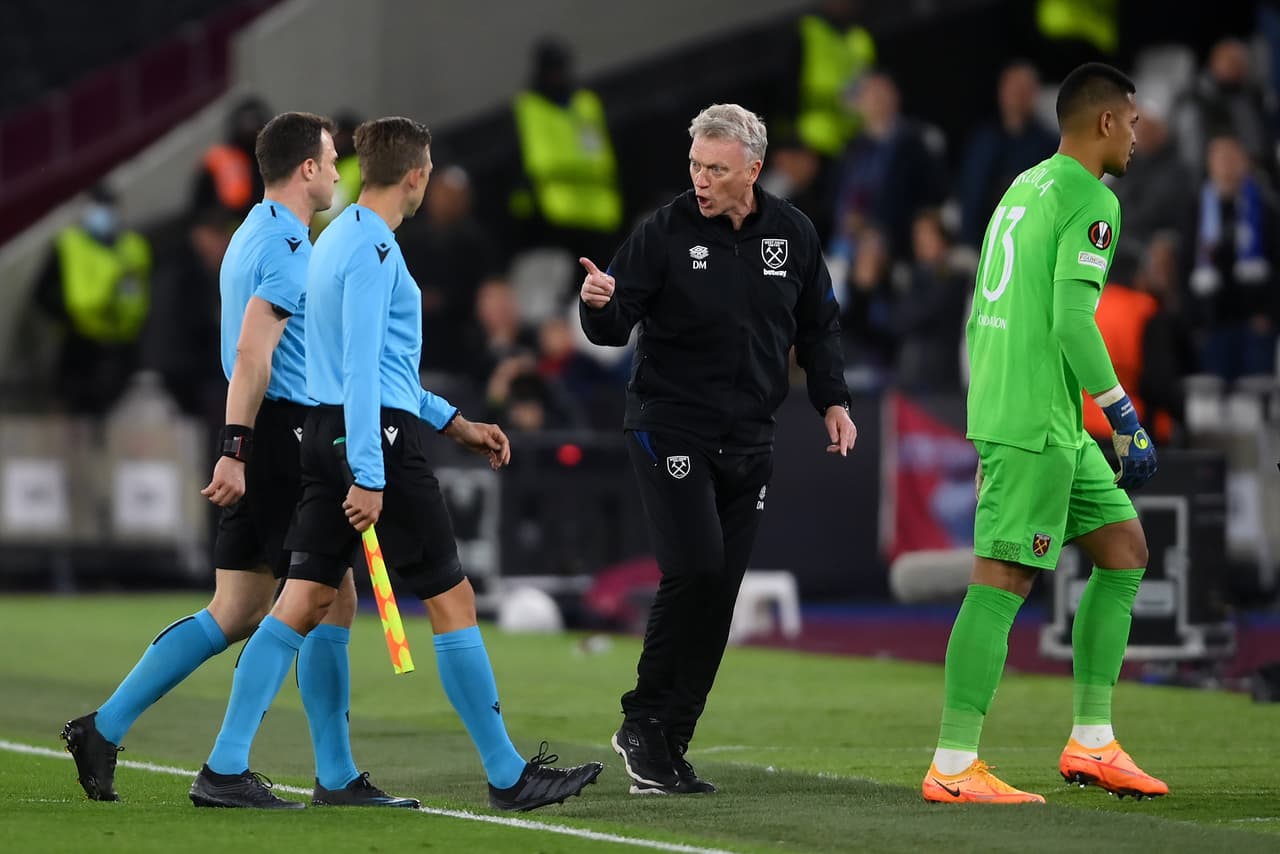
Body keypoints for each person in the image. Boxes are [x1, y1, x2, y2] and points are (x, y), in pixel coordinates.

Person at [191, 116, 603, 813]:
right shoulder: (376, 252)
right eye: (430, 168)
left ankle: (226, 764)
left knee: (300, 602)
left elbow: (368, 367)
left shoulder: (333, 239)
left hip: (321, 433)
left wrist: (456, 421)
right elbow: (364, 371)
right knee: (453, 600)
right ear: (416, 176)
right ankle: (507, 776)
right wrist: (372, 475)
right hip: (373, 439)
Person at [63, 112, 415, 809]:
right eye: (330, 160)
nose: (340, 173)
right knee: (325, 595)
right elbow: (255, 354)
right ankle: (304, 774)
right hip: (278, 434)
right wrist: (238, 450)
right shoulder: (287, 244)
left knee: (239, 605)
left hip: (260, 433)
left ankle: (103, 727)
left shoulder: (251, 233)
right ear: (306, 169)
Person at [578, 103, 856, 795]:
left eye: (716, 169)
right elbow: (613, 326)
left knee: (721, 591)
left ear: (753, 171)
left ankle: (669, 743)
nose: (700, 180)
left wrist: (834, 401)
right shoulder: (665, 232)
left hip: (750, 436)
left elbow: (819, 327)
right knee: (696, 566)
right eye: (695, 166)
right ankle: (642, 721)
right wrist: (597, 302)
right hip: (670, 423)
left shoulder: (792, 236)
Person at [921, 63, 1166, 804]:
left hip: (1034, 410)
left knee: (1124, 551)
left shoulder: (1025, 185)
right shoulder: (1093, 198)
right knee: (1002, 579)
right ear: (1102, 122)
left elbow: (993, 304)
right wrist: (1123, 414)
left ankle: (1092, 741)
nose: (1137, 134)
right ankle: (954, 764)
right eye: (1130, 120)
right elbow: (1069, 320)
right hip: (1035, 418)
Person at [34, 184, 152, 414]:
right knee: (78, 417)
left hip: (124, 345)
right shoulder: (68, 245)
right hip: (80, 346)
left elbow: (144, 290)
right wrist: (71, 318)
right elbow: (42, 294)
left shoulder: (135, 247)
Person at [1185, 134, 1280, 381]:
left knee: (1255, 398)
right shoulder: (1196, 209)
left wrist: (1269, 313)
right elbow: (1185, 266)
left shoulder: (1266, 208)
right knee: (1211, 402)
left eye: (1232, 158)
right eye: (1220, 159)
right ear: (1210, 164)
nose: (1226, 166)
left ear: (1245, 162)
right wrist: (1195, 321)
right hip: (1212, 323)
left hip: (1255, 322)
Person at [957, 61, 1057, 249]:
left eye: (1024, 90)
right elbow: (970, 194)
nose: (1017, 97)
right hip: (982, 244)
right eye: (1012, 89)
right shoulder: (983, 141)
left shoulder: (1049, 145)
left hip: (1031, 245)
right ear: (1001, 92)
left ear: (1034, 93)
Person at [192, 96, 272, 221]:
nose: (250, 132)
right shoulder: (218, 162)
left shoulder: (280, 159)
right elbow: (199, 210)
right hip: (231, 229)